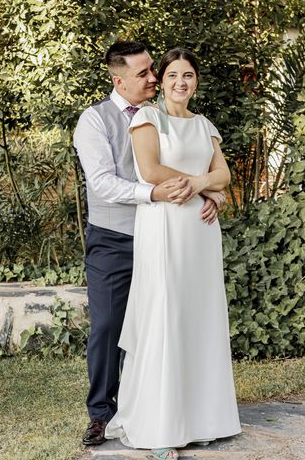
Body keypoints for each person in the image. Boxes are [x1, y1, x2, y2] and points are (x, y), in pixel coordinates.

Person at [73, 41, 223, 447]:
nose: (154, 78)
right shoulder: (95, 120)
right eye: (144, 73)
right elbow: (102, 183)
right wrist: (156, 194)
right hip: (115, 237)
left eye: (153, 69)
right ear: (118, 80)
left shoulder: (166, 115)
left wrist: (210, 191)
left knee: (158, 323)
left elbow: (201, 168)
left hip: (165, 236)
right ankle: (102, 413)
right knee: (109, 325)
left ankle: (147, 406)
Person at [104, 48, 241, 459]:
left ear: (196, 81)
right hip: (165, 225)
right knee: (166, 313)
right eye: (173, 75)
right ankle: (158, 423)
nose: (181, 82)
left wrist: (208, 187)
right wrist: (205, 185)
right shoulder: (148, 118)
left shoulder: (203, 125)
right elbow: (150, 170)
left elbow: (224, 174)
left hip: (200, 233)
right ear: (161, 81)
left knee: (198, 316)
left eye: (189, 75)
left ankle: (199, 419)